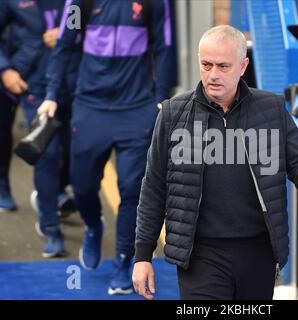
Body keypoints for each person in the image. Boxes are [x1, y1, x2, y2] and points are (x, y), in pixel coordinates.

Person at [132, 25, 298, 300]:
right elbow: (154, 187)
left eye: (223, 66)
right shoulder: (173, 113)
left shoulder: (270, 109)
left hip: (258, 253)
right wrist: (142, 255)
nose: (213, 75)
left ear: (243, 66)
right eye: (206, 65)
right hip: (199, 255)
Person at [38, 0, 177, 294]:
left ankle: (123, 264)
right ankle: (93, 226)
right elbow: (64, 45)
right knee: (83, 186)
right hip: (90, 107)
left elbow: (165, 47)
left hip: (136, 109)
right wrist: (51, 93)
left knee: (131, 190)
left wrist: (161, 100)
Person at [18, 0, 81, 257]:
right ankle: (50, 227)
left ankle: (54, 192)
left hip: (80, 87)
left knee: (76, 159)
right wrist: (6, 69)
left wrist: (69, 37)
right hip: (38, 87)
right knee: (48, 156)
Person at [0, 0, 44, 212]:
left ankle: (55, 191)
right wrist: (5, 70)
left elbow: (82, 22)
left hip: (47, 76)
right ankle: (2, 186)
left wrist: (71, 32)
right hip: (13, 73)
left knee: (50, 137)